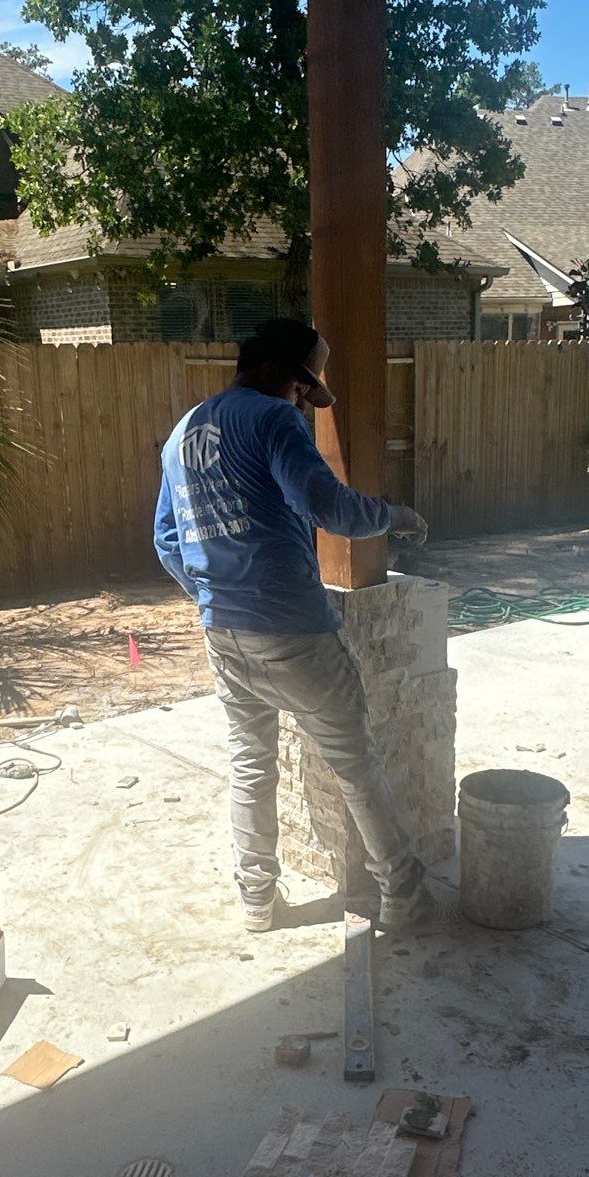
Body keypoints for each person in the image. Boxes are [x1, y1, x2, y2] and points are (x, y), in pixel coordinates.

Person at [154, 316, 434, 933]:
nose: (304, 404)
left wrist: (213, 594)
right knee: (355, 763)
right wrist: (394, 516)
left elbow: (167, 541)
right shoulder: (271, 418)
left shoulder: (181, 435)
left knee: (251, 764)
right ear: (280, 371)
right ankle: (406, 899)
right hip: (293, 630)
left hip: (223, 633)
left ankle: (258, 904)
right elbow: (330, 506)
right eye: (305, 389)